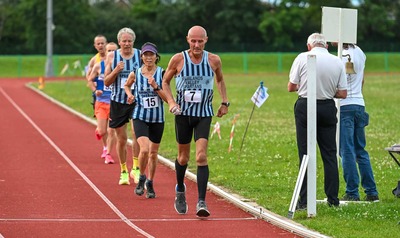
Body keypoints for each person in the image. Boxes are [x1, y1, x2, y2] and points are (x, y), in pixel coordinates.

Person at [162, 25, 229, 217]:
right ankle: (180, 189)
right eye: (193, 41)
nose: (197, 44)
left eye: (200, 41)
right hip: (182, 114)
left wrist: (224, 102)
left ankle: (201, 201)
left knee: (201, 157)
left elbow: (220, 80)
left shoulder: (214, 60)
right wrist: (171, 102)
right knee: (183, 158)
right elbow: (165, 82)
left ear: (206, 40)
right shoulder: (178, 59)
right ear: (187, 40)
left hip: (203, 114)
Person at [287, 33, 347, 209]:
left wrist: (308, 86)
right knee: (329, 154)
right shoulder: (337, 61)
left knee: (305, 153)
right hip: (327, 107)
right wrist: (327, 91)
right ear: (326, 46)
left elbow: (291, 86)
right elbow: (342, 93)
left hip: (305, 105)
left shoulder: (301, 57)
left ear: (309, 46)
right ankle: (333, 199)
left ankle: (304, 201)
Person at [337, 43, 379, 202]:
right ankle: (372, 192)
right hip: (359, 104)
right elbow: (361, 80)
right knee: (361, 150)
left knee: (346, 150)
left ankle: (352, 192)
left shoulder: (342, 55)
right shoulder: (360, 52)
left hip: (345, 105)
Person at [124, 42, 167, 198]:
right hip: (140, 116)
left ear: (156, 57)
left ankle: (150, 181)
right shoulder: (135, 73)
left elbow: (167, 99)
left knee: (154, 153)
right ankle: (141, 176)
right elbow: (126, 85)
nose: (149, 58)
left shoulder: (162, 73)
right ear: (141, 57)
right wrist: (129, 94)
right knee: (145, 149)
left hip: (158, 118)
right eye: (146, 55)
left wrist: (156, 87)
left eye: (152, 55)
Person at [104, 27, 141, 185]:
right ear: (119, 42)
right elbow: (106, 81)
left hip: (136, 100)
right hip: (118, 101)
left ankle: (137, 168)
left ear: (133, 41)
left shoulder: (140, 55)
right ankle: (124, 170)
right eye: (124, 41)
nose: (127, 43)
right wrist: (116, 71)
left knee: (137, 132)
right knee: (122, 138)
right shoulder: (112, 56)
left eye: (129, 41)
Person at [87, 42, 118, 164]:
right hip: (101, 102)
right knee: (102, 131)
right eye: (109, 50)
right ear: (105, 51)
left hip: (114, 103)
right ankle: (103, 143)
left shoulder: (120, 67)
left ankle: (108, 153)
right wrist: (95, 90)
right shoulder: (99, 66)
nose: (111, 53)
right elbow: (89, 80)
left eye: (113, 51)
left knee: (112, 131)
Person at [86, 35, 108, 115]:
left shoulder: (112, 57)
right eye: (98, 44)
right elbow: (88, 76)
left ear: (106, 44)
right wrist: (94, 88)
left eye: (102, 43)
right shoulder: (94, 60)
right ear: (95, 46)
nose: (100, 45)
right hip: (99, 92)